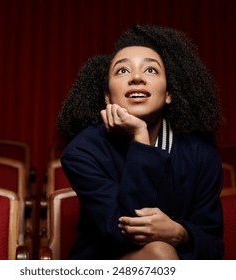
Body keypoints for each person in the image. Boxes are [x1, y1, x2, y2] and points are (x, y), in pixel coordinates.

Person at [56, 25, 224, 260]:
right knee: (160, 254)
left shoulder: (200, 154)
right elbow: (125, 233)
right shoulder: (83, 151)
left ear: (168, 94)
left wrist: (179, 233)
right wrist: (141, 139)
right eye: (123, 70)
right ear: (107, 95)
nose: (136, 77)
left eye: (151, 70)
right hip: (103, 263)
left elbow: (214, 248)